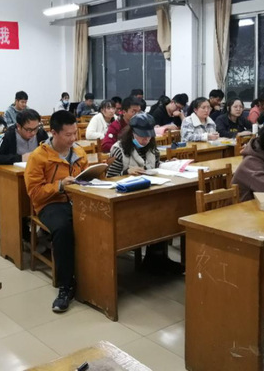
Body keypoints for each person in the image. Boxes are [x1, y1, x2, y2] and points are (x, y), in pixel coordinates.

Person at [24, 110, 89, 313]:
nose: (73, 138)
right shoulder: (39, 157)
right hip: (50, 203)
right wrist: (59, 186)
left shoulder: (79, 153)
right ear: (53, 132)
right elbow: (35, 193)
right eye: (68, 134)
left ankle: (94, 275)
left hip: (76, 199)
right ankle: (65, 285)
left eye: (75, 133)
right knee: (63, 229)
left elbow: (87, 178)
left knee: (99, 221)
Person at [106, 113, 183, 274]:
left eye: (148, 137)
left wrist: (167, 165)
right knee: (153, 213)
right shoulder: (119, 149)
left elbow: (154, 167)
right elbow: (109, 178)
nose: (145, 140)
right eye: (142, 137)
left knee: (165, 211)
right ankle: (153, 258)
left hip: (150, 193)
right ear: (132, 133)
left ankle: (156, 256)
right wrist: (126, 171)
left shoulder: (152, 148)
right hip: (126, 198)